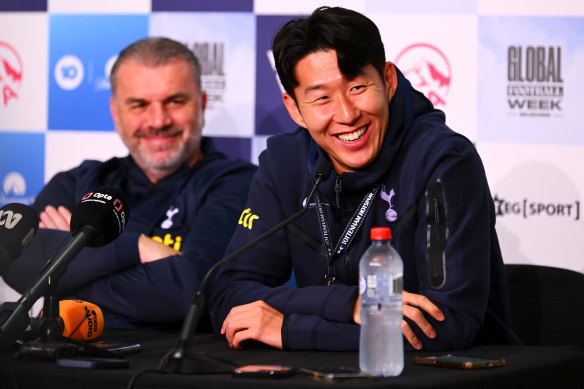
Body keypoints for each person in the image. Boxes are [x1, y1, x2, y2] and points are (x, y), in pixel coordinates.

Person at [209, 7, 520, 351]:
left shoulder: (443, 162)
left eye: (358, 87)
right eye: (322, 98)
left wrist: (289, 330)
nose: (346, 114)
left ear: (388, 81)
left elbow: (446, 323)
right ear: (295, 108)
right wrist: (349, 305)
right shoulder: (284, 164)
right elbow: (228, 295)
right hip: (334, 372)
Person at [3, 37, 257, 330]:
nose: (158, 120)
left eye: (175, 101)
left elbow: (191, 289)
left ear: (201, 103)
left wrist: (60, 277)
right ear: (115, 112)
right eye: (139, 104)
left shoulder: (238, 182)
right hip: (66, 363)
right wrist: (138, 247)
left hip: (176, 367)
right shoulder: (78, 182)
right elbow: (15, 262)